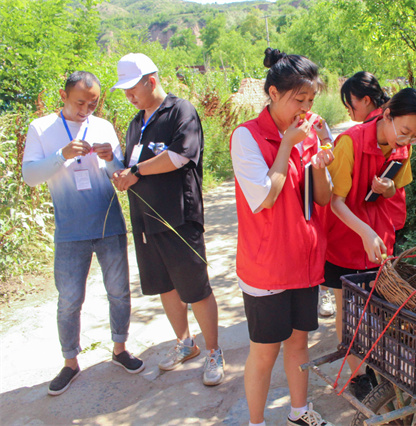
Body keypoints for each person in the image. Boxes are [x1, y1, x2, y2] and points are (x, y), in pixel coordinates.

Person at [22, 71, 144, 396]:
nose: (86, 109)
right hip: (70, 230)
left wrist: (111, 160)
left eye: (92, 103)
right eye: (80, 102)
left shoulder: (102, 127)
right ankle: (70, 362)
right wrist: (61, 155)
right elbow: (30, 176)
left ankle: (120, 350)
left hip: (109, 225)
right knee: (69, 300)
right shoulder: (41, 128)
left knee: (119, 291)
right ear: (63, 96)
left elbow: (120, 173)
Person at [230, 47, 334, 426]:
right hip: (267, 268)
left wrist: (320, 164)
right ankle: (256, 422)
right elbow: (264, 196)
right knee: (264, 351)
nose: (305, 108)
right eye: (297, 99)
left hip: (303, 262)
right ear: (273, 94)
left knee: (298, 342)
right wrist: (288, 144)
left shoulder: (306, 135)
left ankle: (299, 412)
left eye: (310, 99)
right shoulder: (247, 137)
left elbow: (321, 198)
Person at [111, 53, 224, 386]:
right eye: (124, 90)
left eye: (133, 88)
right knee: (165, 285)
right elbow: (134, 164)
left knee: (196, 287)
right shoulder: (135, 123)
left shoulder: (180, 111)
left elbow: (178, 155)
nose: (129, 95)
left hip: (178, 217)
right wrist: (118, 167)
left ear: (152, 80)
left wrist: (134, 171)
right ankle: (185, 343)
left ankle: (214, 351)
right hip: (146, 221)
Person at [325, 87, 416, 400]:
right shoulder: (350, 143)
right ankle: (358, 375)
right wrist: (364, 231)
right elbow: (335, 203)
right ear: (387, 114)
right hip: (346, 240)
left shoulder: (402, 148)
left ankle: (378, 367)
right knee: (350, 311)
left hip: (380, 243)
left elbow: (397, 194)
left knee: (379, 309)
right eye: (404, 130)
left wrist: (386, 190)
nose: (408, 140)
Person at [316, 71, 392, 318]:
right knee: (375, 309)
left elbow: (334, 200)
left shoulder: (352, 139)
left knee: (348, 313)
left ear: (367, 100)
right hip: (381, 233)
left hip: (350, 236)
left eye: (351, 104)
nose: (348, 110)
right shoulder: (396, 132)